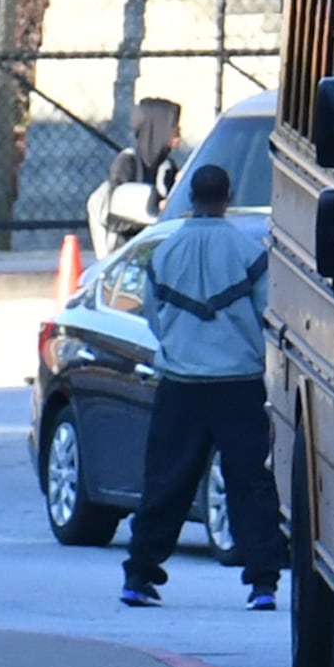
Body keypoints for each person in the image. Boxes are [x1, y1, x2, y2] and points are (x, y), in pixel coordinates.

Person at [117, 161, 292, 611]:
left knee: (166, 481)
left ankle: (140, 575)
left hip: (181, 383)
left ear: (192, 196)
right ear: (227, 196)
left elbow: (154, 316)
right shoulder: (248, 253)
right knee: (250, 482)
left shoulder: (165, 254)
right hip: (237, 384)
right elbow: (266, 314)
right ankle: (263, 584)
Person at [91, 96, 182, 259]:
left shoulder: (168, 167)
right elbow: (116, 217)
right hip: (128, 254)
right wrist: (154, 211)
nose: (179, 132)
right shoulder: (127, 163)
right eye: (173, 126)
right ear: (159, 128)